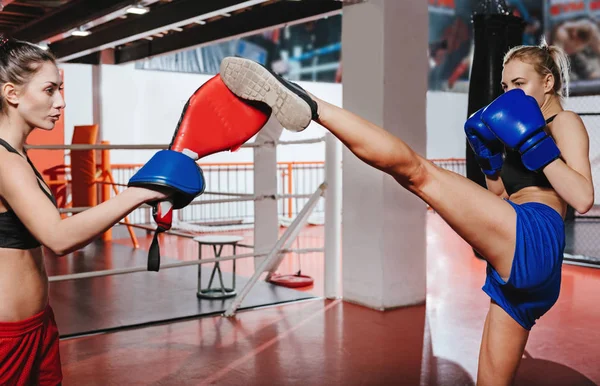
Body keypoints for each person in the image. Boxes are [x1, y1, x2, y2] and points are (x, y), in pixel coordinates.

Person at [219, 42, 594, 385]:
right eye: (504, 86)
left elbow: (581, 198)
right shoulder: (512, 131)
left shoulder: (565, 123)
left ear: (547, 82)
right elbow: (497, 194)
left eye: (519, 83)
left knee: (417, 172)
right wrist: (489, 157)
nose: (509, 94)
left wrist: (536, 144)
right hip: (517, 262)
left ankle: (311, 105)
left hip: (536, 236)